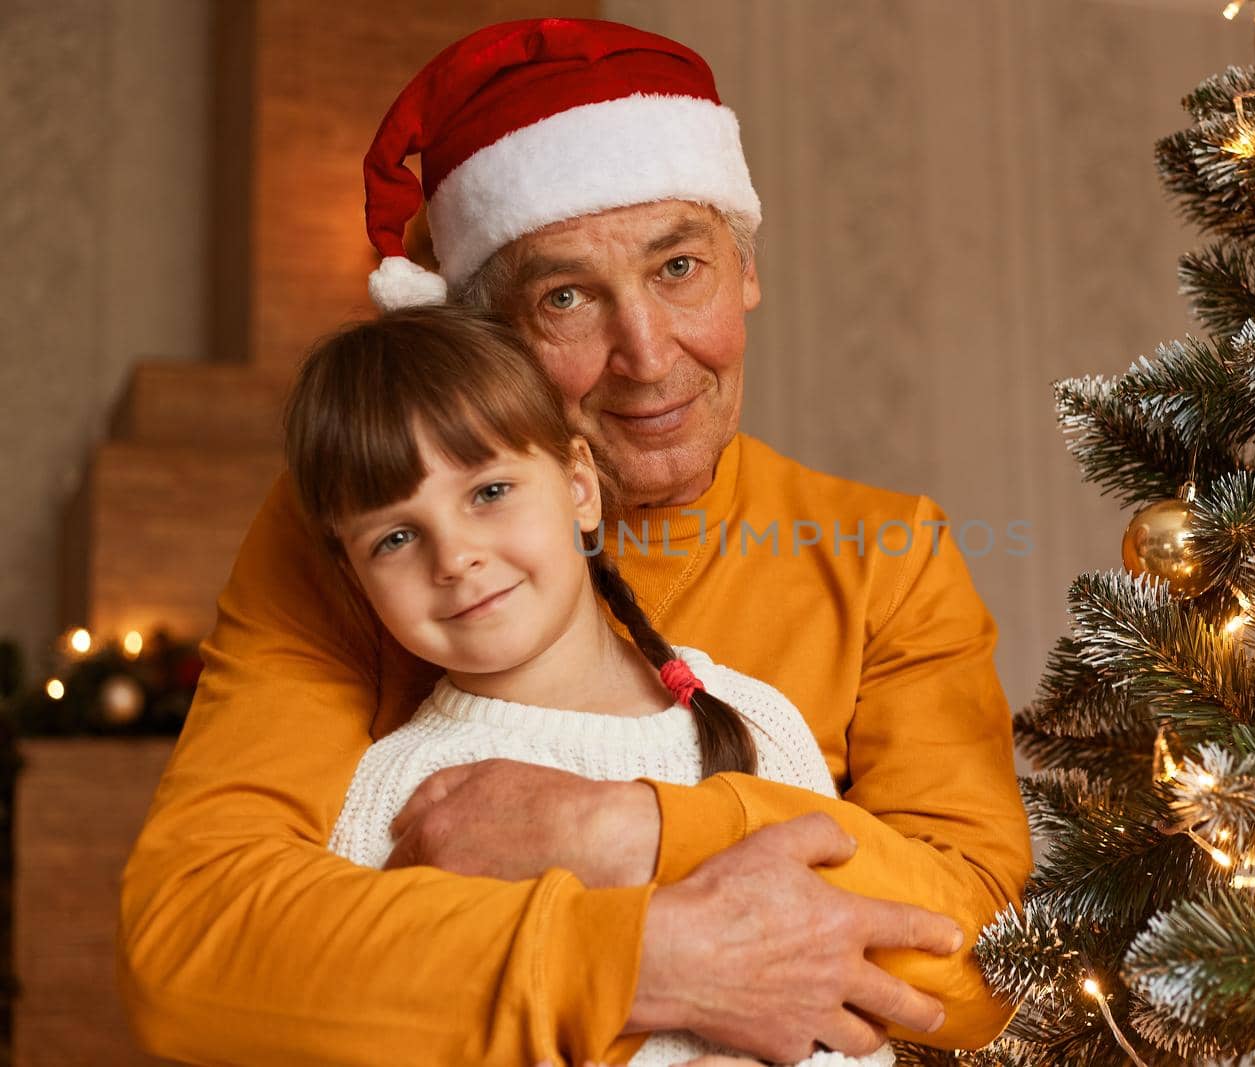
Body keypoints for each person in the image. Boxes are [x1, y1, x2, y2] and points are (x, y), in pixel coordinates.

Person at [119, 17, 1032, 1067]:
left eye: (679, 267)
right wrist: (639, 961)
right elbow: (193, 945)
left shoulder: (882, 554)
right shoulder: (368, 537)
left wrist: (626, 833)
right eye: (565, 297)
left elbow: (994, 958)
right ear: (487, 339)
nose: (646, 354)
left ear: (744, 272)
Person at [287, 304, 892, 1067]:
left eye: (489, 492)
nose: (455, 556)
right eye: (396, 537)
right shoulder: (395, 794)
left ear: (578, 485)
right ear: (354, 574)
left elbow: (854, 1002)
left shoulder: (750, 720)